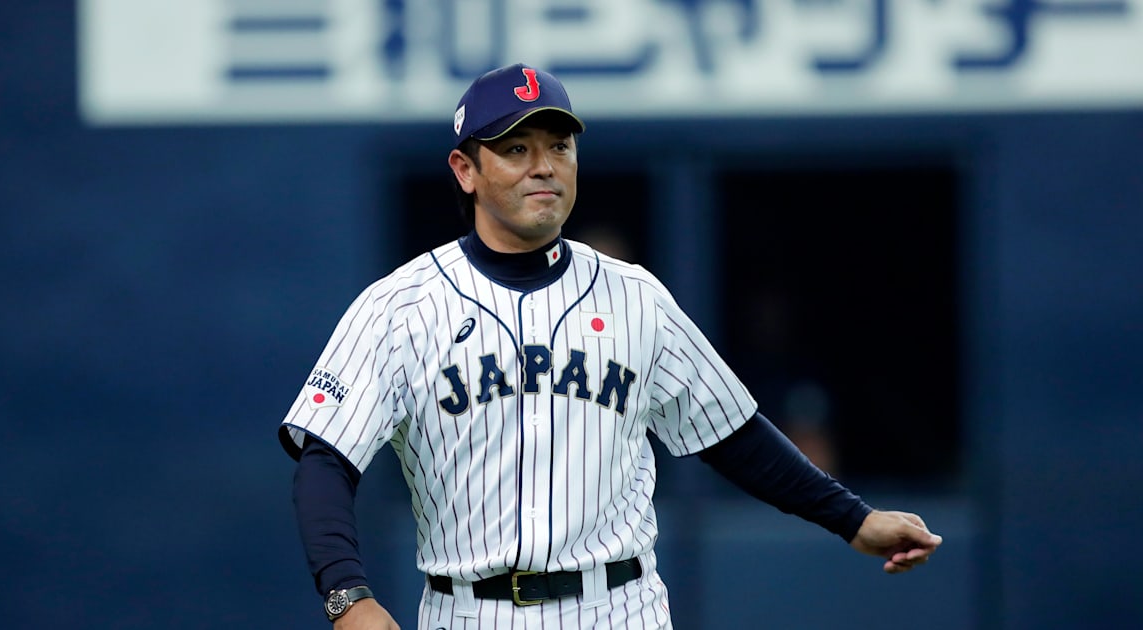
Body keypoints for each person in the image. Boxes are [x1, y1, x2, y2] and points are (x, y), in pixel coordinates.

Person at [278, 63, 942, 629]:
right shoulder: (400, 306)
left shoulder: (635, 297)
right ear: (465, 169)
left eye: (559, 146)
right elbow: (326, 460)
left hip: (617, 606)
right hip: (468, 610)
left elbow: (731, 436)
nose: (544, 167)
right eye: (515, 149)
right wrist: (348, 598)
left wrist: (855, 520)